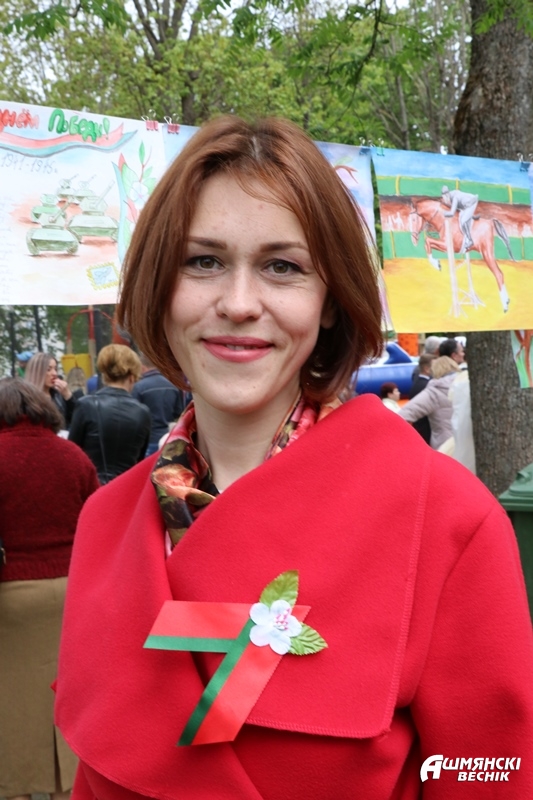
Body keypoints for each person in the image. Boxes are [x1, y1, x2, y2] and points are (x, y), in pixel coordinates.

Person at [55, 116, 533, 799]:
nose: (238, 303)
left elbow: (489, 776)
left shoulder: (448, 522)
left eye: (282, 267)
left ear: (329, 301)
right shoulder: (103, 524)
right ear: (160, 286)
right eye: (203, 261)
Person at [0, 378, 99, 800]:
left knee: (14, 702)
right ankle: (71, 786)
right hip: (72, 590)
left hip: (11, 597)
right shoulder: (72, 456)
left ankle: (17, 786)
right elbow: (97, 520)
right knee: (68, 693)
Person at [68, 344, 151, 484]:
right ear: (132, 377)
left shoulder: (86, 405)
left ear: (104, 374)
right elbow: (139, 459)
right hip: (126, 486)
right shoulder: (142, 412)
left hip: (91, 486)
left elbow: (72, 452)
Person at [132, 353, 189, 456]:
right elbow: (179, 413)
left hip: (148, 440)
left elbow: (135, 417)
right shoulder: (173, 385)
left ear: (142, 367)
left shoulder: (138, 387)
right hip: (167, 439)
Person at [399, 355, 460, 450]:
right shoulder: (467, 386)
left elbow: (404, 414)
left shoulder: (435, 391)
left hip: (445, 445)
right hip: (468, 444)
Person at [25, 352, 80, 428]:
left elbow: (77, 420)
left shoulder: (58, 395)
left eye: (55, 369)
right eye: (48, 369)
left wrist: (68, 396)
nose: (54, 373)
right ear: (37, 372)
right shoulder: (27, 399)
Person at [441, 185, 478, 252]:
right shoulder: (452, 194)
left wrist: (443, 213)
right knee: (462, 216)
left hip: (471, 203)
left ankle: (470, 240)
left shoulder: (455, 198)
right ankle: (471, 216)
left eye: (445, 198)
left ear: (447, 195)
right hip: (467, 204)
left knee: (463, 221)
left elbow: (452, 213)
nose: (445, 200)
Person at [408, 352, 434, 444]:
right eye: (434, 366)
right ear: (427, 369)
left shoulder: (416, 384)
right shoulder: (427, 386)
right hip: (426, 431)